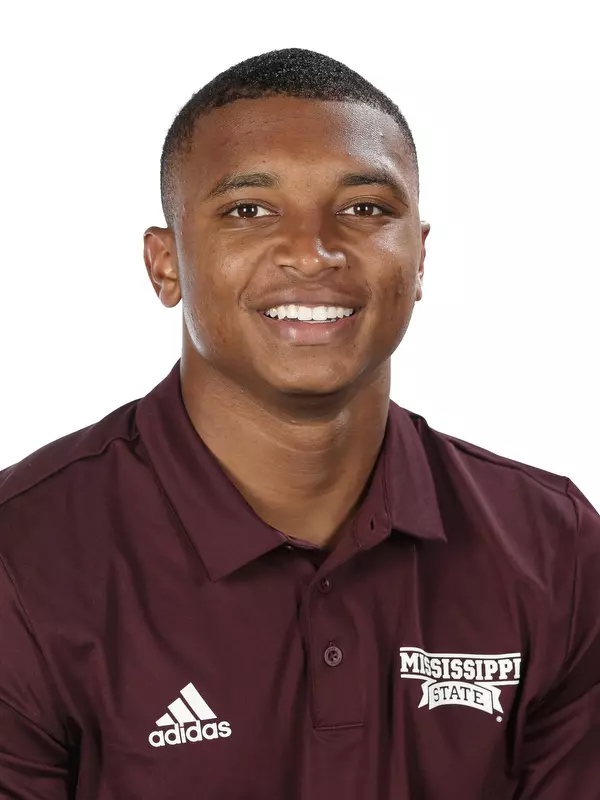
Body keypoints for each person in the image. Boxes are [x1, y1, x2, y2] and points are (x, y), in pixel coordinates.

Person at [0, 47, 598, 800]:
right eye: (249, 211)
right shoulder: (22, 557)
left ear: (418, 261)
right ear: (166, 265)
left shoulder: (554, 548)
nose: (313, 253)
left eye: (365, 209)